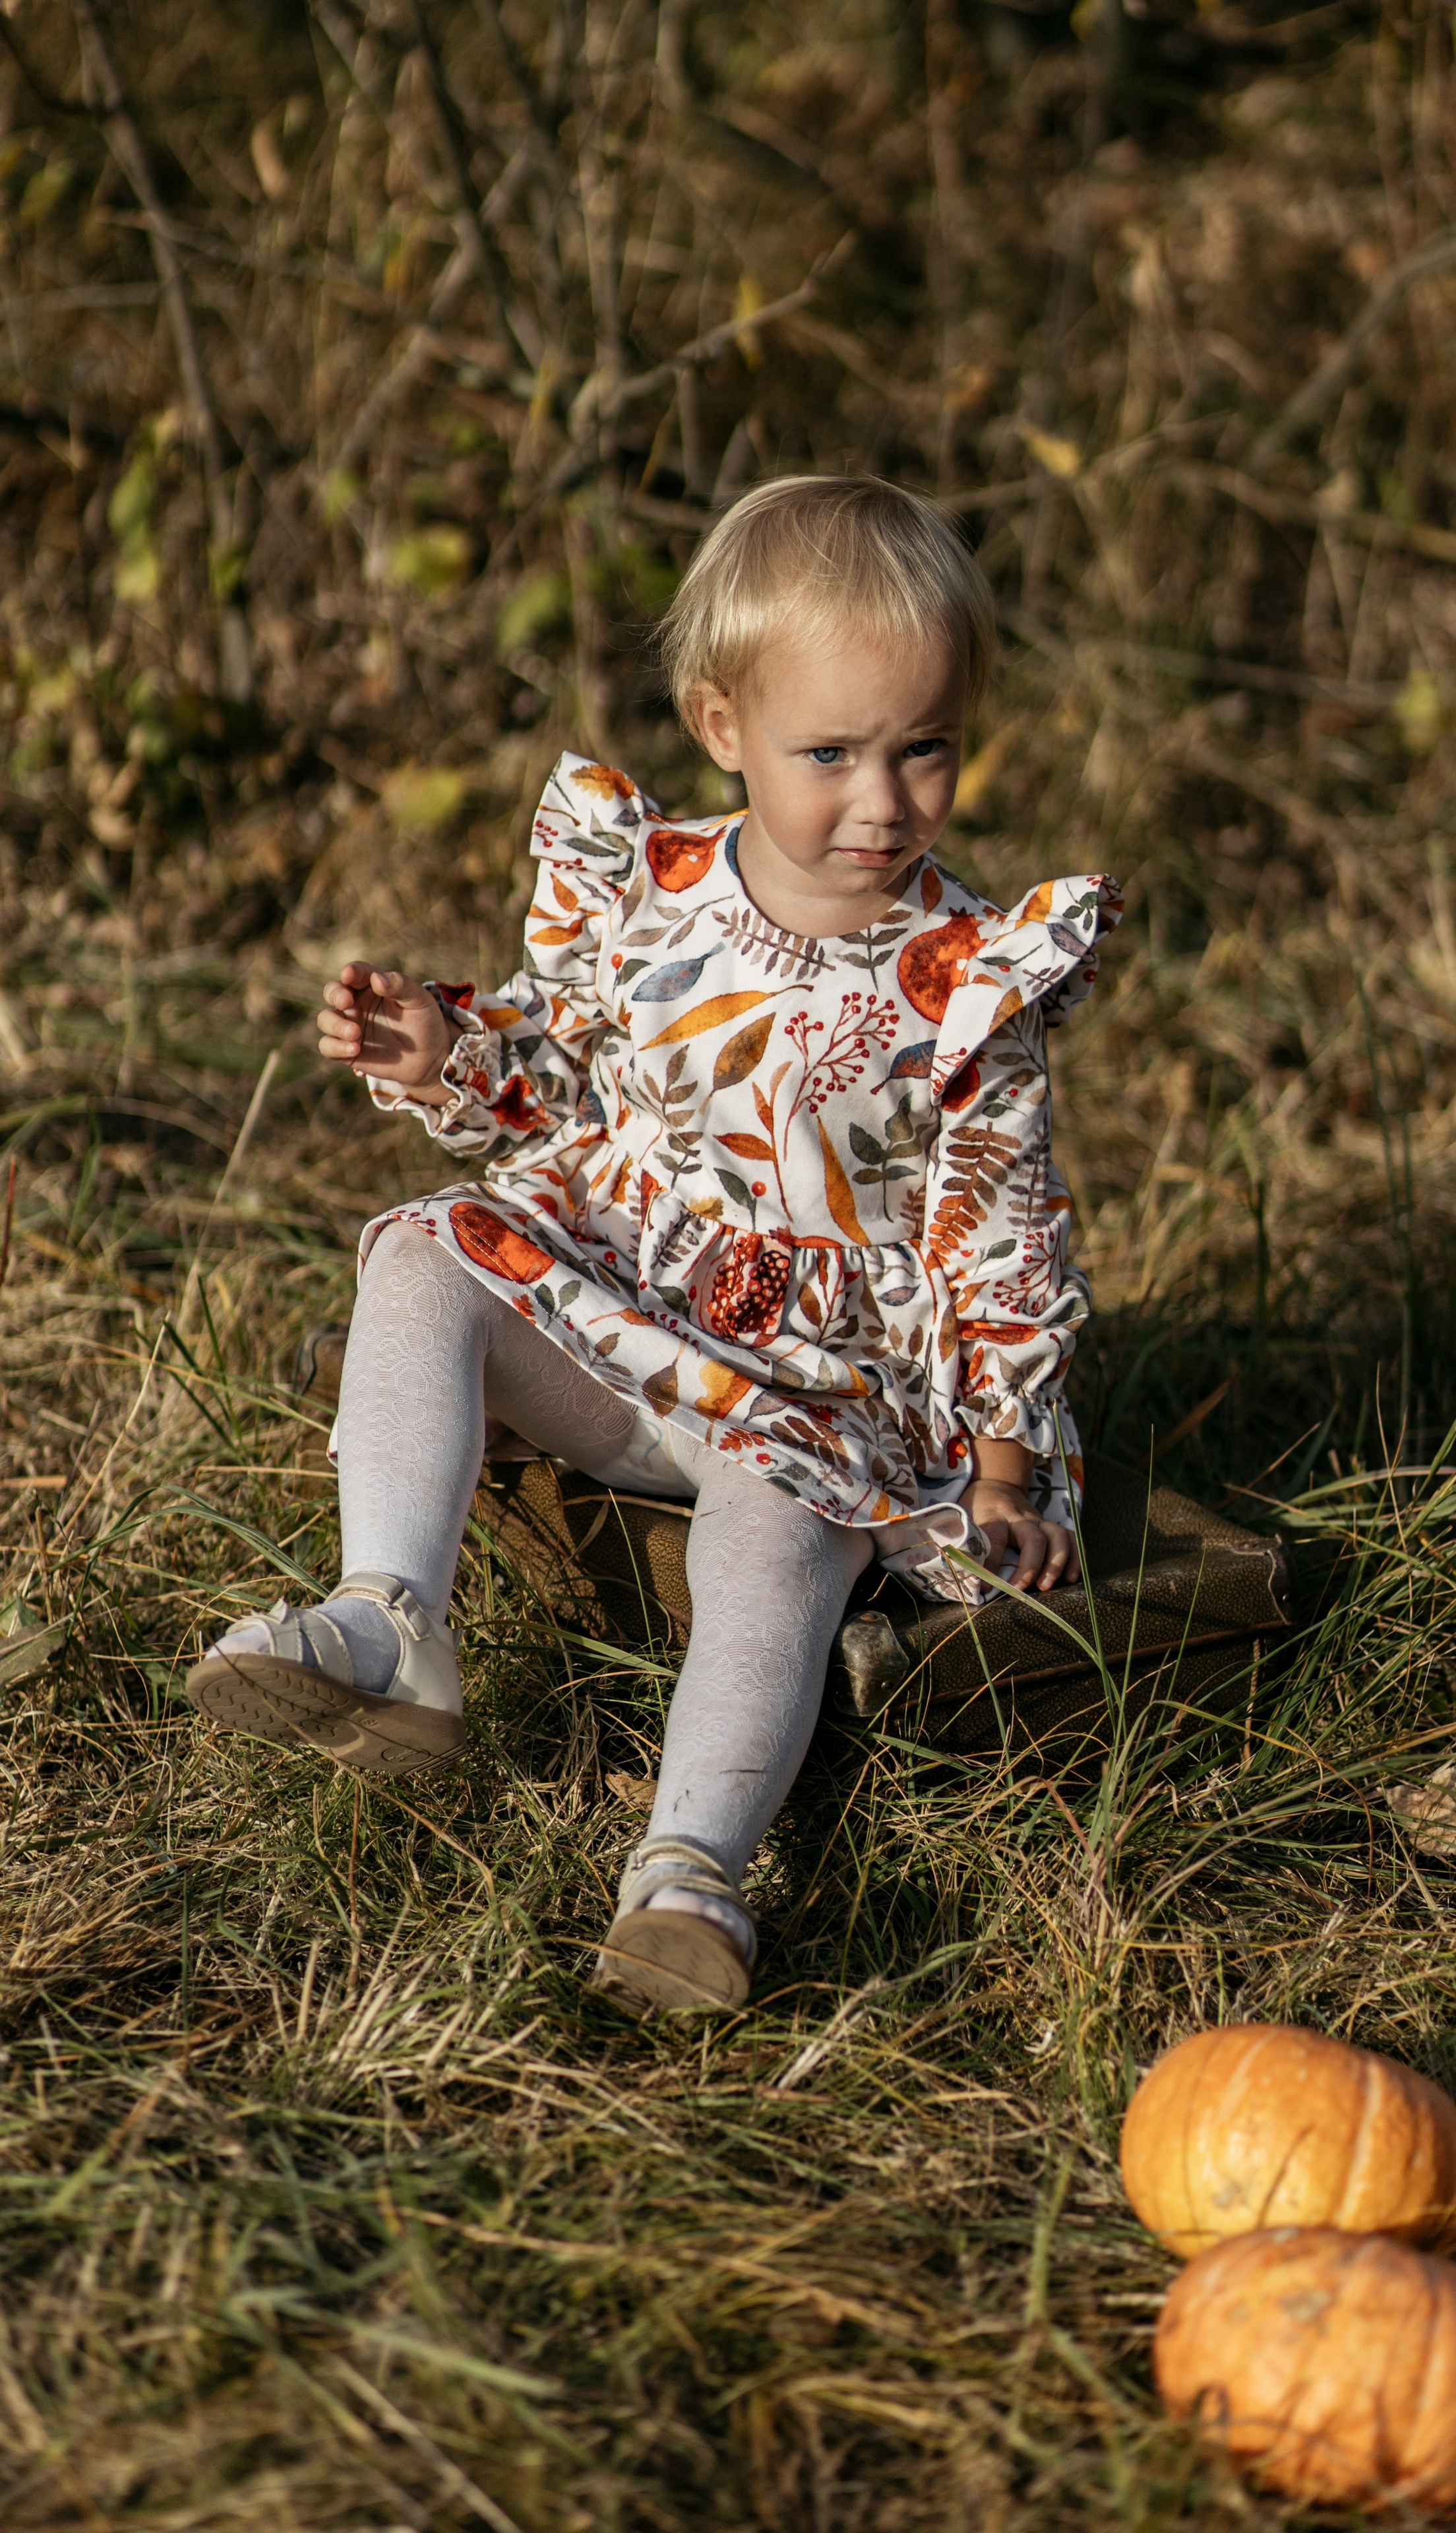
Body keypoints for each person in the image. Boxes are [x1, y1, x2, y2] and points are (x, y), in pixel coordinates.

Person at [185, 474, 1120, 2013]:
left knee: (778, 1529)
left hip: (824, 1383)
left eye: (923, 747)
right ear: (719, 724)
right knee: (428, 1256)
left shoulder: (967, 984)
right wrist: (442, 1050)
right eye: (830, 753)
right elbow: (559, 1077)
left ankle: (690, 1870)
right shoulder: (650, 893)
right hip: (629, 1306)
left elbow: (999, 1238)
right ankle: (387, 1619)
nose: (881, 800)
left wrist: (1009, 1469)